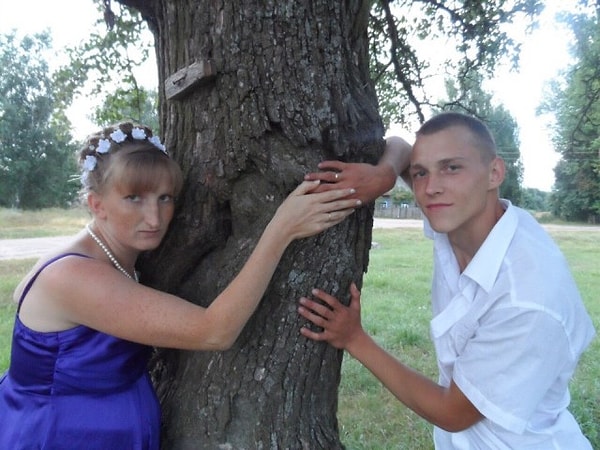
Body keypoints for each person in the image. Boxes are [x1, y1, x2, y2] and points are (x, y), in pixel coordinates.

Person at [0, 121, 361, 450]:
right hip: (60, 436)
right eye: (133, 198)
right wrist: (281, 230)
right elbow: (214, 331)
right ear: (97, 205)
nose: (154, 218)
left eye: (165, 198)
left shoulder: (108, 255)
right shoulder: (73, 275)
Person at [298, 112, 596, 449]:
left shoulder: (528, 296)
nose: (430, 188)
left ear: (495, 173)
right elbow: (401, 147)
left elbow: (453, 413)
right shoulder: (463, 217)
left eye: (452, 167)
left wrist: (354, 339)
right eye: (420, 174)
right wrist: (384, 176)